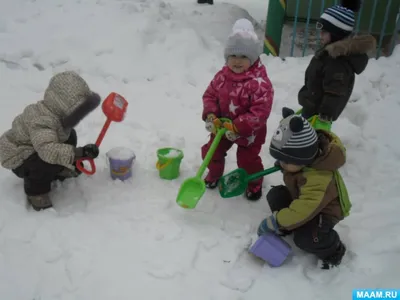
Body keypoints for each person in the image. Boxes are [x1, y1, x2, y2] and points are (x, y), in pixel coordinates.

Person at [257, 107, 352, 270]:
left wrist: (276, 221)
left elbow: (304, 209)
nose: (282, 164)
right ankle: (290, 225)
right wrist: (284, 164)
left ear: (303, 159)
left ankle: (333, 250)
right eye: (280, 159)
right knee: (276, 195)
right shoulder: (302, 162)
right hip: (305, 200)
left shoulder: (318, 178)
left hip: (325, 213)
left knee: (306, 238)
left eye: (286, 161)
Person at [0, 71, 101, 211]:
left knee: (70, 135)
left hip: (38, 146)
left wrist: (74, 153)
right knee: (44, 161)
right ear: (63, 106)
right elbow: (47, 150)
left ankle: (59, 169)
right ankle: (36, 192)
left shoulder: (56, 116)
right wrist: (79, 153)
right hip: (18, 155)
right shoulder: (42, 121)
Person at [201, 18, 274, 201]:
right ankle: (215, 173)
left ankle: (254, 182)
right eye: (233, 56)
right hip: (222, 127)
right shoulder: (222, 77)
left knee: (247, 160)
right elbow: (209, 95)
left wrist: (238, 126)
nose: (237, 61)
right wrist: (211, 114)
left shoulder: (259, 83)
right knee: (212, 151)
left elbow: (260, 112)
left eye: (243, 56)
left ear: (253, 57)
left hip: (249, 132)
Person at [298, 0, 376, 130]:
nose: (320, 34)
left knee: (310, 145)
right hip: (312, 109)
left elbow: (335, 92)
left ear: (335, 34)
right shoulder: (328, 54)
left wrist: (325, 116)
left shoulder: (337, 62)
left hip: (319, 116)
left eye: (324, 31)